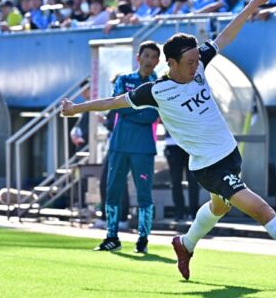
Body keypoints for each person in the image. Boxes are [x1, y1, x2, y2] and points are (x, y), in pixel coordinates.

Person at [61, 0, 276, 281]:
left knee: (218, 208)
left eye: (198, 60)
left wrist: (254, 2)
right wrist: (75, 109)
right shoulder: (156, 91)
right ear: (171, 64)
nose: (197, 66)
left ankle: (185, 243)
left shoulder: (199, 65)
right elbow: (113, 102)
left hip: (230, 154)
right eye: (191, 62)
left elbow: (225, 35)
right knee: (262, 211)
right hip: (208, 167)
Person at [91, 41, 160, 254]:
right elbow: (118, 105)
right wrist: (138, 110)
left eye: (153, 57)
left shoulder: (159, 84)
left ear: (158, 61)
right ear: (138, 58)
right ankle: (112, 236)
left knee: (144, 195)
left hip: (144, 147)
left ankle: (143, 239)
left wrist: (131, 108)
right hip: (119, 144)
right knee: (113, 191)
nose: (149, 60)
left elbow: (153, 114)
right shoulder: (123, 80)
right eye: (146, 56)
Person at [165, 131, 200, 221]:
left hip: (191, 142)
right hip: (173, 143)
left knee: (193, 180)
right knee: (175, 181)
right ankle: (179, 213)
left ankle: (194, 213)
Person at [70, 80, 90, 151]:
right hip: (82, 143)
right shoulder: (85, 105)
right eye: (82, 91)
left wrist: (82, 138)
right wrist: (73, 133)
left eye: (85, 91)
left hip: (88, 144)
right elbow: (78, 124)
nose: (83, 94)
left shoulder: (95, 105)